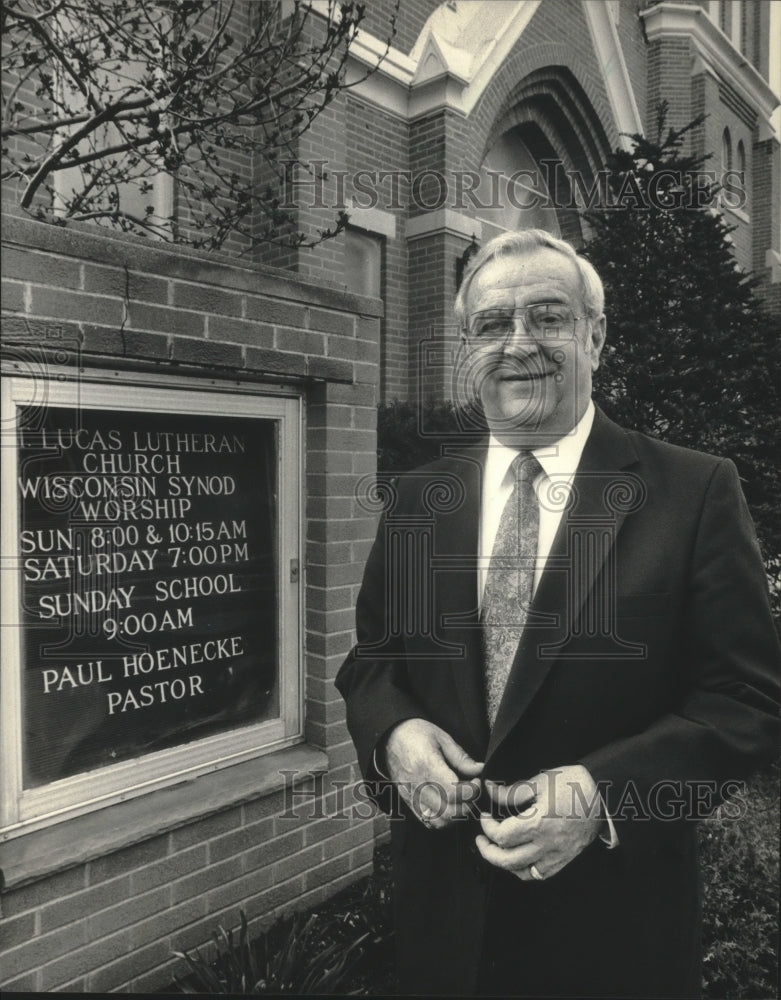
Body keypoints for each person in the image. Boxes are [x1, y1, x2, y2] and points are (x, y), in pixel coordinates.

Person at [335, 229, 779, 997]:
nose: (518, 345)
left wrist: (605, 791)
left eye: (547, 317)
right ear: (467, 345)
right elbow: (375, 660)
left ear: (595, 335)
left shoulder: (694, 491)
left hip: (612, 931)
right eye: (491, 324)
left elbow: (744, 701)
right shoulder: (416, 498)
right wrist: (393, 735)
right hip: (445, 927)